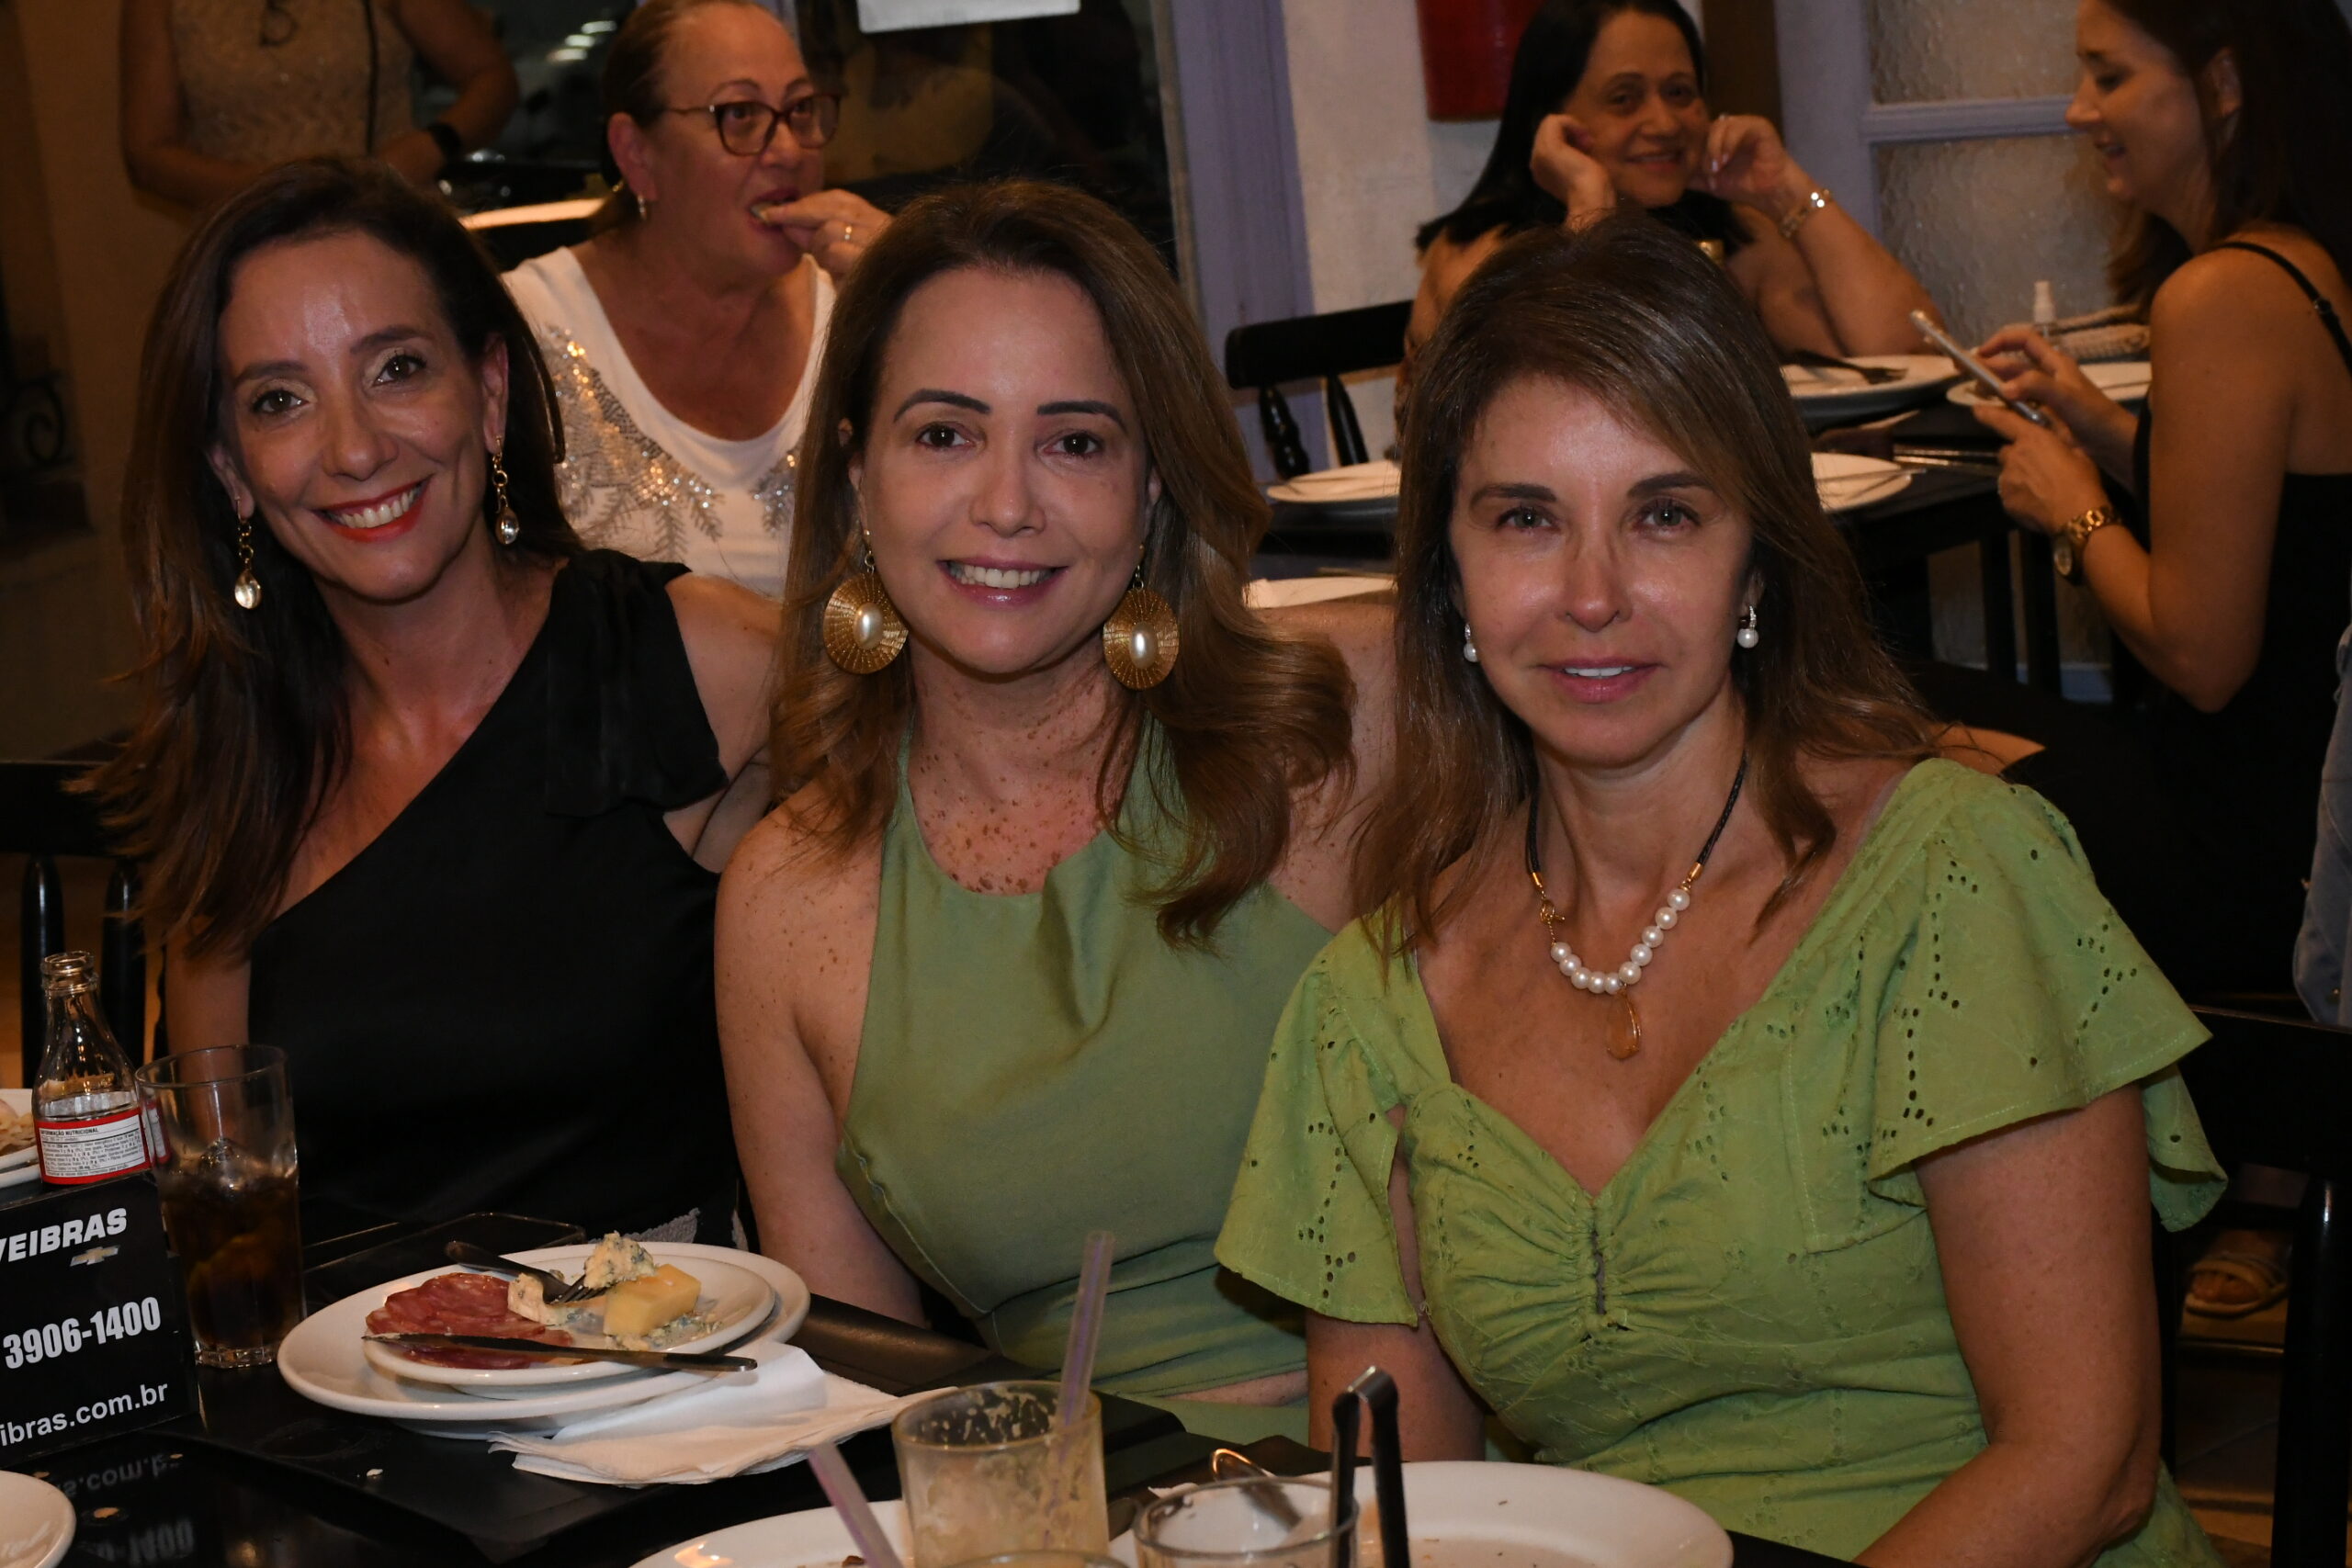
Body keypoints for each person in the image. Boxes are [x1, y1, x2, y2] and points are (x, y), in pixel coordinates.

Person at [1216, 218, 2224, 1568]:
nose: (1591, 594)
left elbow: (2082, 1461)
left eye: (1665, 515)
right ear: (1446, 574)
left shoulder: (1949, 878)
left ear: (1757, 561)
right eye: (1526, 519)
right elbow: (1407, 1512)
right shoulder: (1376, 1003)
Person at [716, 179, 1392, 1441]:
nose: (1008, 504)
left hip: (1423, 1480)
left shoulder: (1346, 725)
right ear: (855, 473)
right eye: (945, 434)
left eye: (1075, 442)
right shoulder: (786, 902)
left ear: (1152, 485)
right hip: (1068, 1501)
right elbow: (868, 1407)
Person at [90, 160, 777, 1243]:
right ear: (231, 471)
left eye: (397, 369)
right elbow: (224, 1197)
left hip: (656, 1334)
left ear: (490, 393)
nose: (356, 448)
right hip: (333, 1341)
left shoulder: (694, 662)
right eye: (280, 400)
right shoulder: (243, 760)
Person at [1973, 0, 2352, 1315]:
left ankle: (2038, 1222)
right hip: (2308, 804)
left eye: (2107, 76)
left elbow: (2200, 652)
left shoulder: (2220, 294)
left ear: (2222, 83)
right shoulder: (2304, 267)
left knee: (1902, 739)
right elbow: (2281, 534)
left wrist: (2071, 507)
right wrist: (2099, 427)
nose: (2079, 110)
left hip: (2249, 848)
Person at [503, 0, 891, 599]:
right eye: (740, 115)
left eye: (800, 109)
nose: (789, 150)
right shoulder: (523, 327)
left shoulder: (858, 299)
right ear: (637, 155)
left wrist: (912, 295)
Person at [1405, 0, 1937, 380]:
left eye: (1680, 92)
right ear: (1553, 119)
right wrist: (1589, 202)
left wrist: (1786, 191)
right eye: (1624, 98)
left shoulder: (1732, 235)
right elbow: (1592, 396)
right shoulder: (1479, 256)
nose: (1663, 123)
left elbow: (1910, 356)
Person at [120, 0, 518, 211]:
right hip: (248, 239)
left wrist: (428, 147)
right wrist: (273, 192)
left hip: (384, 215)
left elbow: (491, 79)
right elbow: (148, 154)